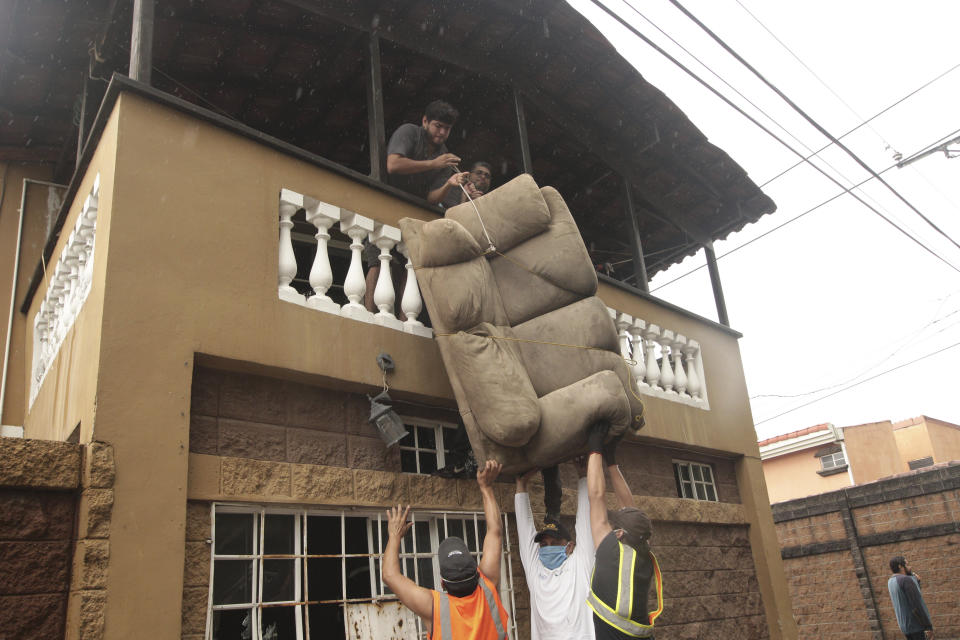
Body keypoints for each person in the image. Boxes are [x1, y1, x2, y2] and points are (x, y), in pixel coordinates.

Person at [382, 460, 509, 640]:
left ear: (442, 583)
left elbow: (389, 575)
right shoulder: (488, 584)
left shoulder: (433, 607)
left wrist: (394, 535)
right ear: (477, 572)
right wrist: (486, 488)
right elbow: (495, 531)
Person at [585, 422, 663, 639]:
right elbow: (625, 507)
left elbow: (597, 495)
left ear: (619, 534)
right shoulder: (644, 555)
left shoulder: (611, 552)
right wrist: (610, 460)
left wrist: (595, 448)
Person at [514, 459, 596, 640]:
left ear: (569, 546)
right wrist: (521, 485)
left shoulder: (580, 565)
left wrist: (583, 476)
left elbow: (585, 520)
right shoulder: (535, 570)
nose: (547, 548)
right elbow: (524, 528)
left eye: (555, 543)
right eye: (543, 544)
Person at [386, 100, 472, 205]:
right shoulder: (409, 131)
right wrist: (433, 164)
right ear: (425, 121)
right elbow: (393, 165)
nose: (442, 132)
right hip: (386, 196)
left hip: (414, 207)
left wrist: (448, 184)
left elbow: (431, 199)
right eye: (438, 126)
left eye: (447, 128)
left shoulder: (445, 158)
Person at [888, 556, 934, 640]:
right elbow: (916, 605)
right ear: (900, 566)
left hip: (905, 627)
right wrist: (928, 627)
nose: (910, 567)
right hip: (917, 626)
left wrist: (917, 582)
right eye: (907, 564)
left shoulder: (890, 581)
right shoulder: (905, 580)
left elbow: (907, 597)